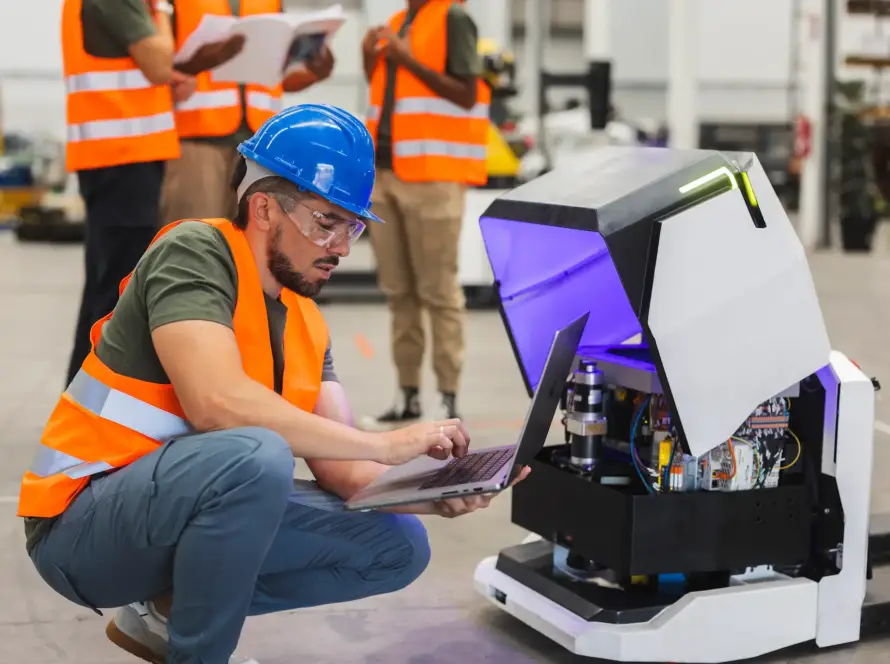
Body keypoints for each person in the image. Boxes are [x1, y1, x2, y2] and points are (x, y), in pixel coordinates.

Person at [18, 104, 528, 664]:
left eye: (352, 227)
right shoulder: (193, 253)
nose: (342, 247)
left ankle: (166, 617)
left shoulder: (305, 321)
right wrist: (385, 443)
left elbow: (349, 474)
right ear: (263, 208)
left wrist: (437, 489)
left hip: (167, 516)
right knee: (256, 456)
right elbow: (215, 404)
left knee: (397, 545)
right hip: (82, 526)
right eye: (326, 222)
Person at [62, 0, 239, 385]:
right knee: (115, 296)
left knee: (108, 291)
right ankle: (96, 402)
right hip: (120, 156)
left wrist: (172, 76)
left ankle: (84, 397)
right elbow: (158, 63)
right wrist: (165, 17)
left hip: (129, 157)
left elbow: (153, 72)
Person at [360, 0, 491, 430]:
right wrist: (370, 57)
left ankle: (448, 398)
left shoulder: (453, 18)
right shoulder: (398, 23)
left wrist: (406, 58)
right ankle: (408, 395)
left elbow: (468, 93)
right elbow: (388, 91)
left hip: (433, 177)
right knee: (399, 292)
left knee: (439, 291)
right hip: (385, 171)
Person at [160, 0, 337, 225]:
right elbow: (154, 65)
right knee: (195, 234)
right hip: (196, 141)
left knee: (254, 237)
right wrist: (195, 64)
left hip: (260, 147)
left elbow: (280, 79)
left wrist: (315, 72)